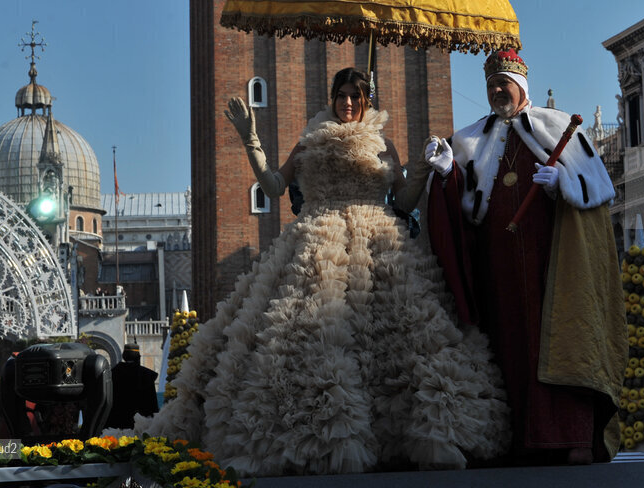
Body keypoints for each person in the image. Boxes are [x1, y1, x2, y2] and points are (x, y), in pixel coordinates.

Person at [143, 67, 509, 476]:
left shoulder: (383, 143)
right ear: (331, 99)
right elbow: (275, 187)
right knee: (300, 334)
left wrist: (425, 168)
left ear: (365, 100)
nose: (348, 103)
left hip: (379, 240)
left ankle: (403, 435)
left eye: (355, 96)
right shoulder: (309, 140)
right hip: (317, 239)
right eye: (341, 96)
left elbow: (403, 201)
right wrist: (250, 138)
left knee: (401, 336)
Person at [424, 49, 628, 465]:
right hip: (494, 265)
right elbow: (462, 204)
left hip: (550, 263)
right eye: (492, 85)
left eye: (505, 83)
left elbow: (595, 190)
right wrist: (448, 173)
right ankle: (512, 439)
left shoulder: (558, 127)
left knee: (556, 342)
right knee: (505, 344)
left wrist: (562, 183)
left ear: (523, 87)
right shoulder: (470, 139)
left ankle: (571, 437)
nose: (499, 90)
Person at [105, 343, 159, 429]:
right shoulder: (146, 375)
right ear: (138, 357)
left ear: (124, 356)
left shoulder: (113, 373)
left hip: (117, 423)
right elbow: (152, 404)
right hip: (140, 423)